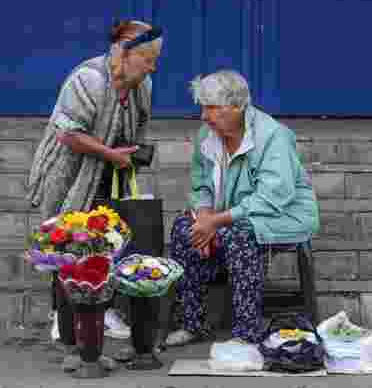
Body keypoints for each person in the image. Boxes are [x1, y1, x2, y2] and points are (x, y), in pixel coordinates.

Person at [25, 19, 163, 371]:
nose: (153, 67)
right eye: (148, 59)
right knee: (68, 242)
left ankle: (98, 317)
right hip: (69, 172)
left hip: (107, 172)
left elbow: (140, 124)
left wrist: (129, 153)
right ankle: (66, 325)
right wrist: (109, 153)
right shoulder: (89, 79)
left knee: (103, 241)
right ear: (124, 52)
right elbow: (68, 133)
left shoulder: (141, 86)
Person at [164, 70, 320, 350]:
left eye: (212, 108)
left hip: (282, 216)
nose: (204, 116)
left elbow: (273, 197)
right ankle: (192, 323)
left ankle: (247, 331)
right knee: (183, 228)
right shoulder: (206, 136)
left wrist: (218, 221)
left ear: (238, 107)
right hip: (229, 216)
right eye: (202, 107)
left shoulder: (272, 136)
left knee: (238, 233)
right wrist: (203, 216)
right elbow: (201, 186)